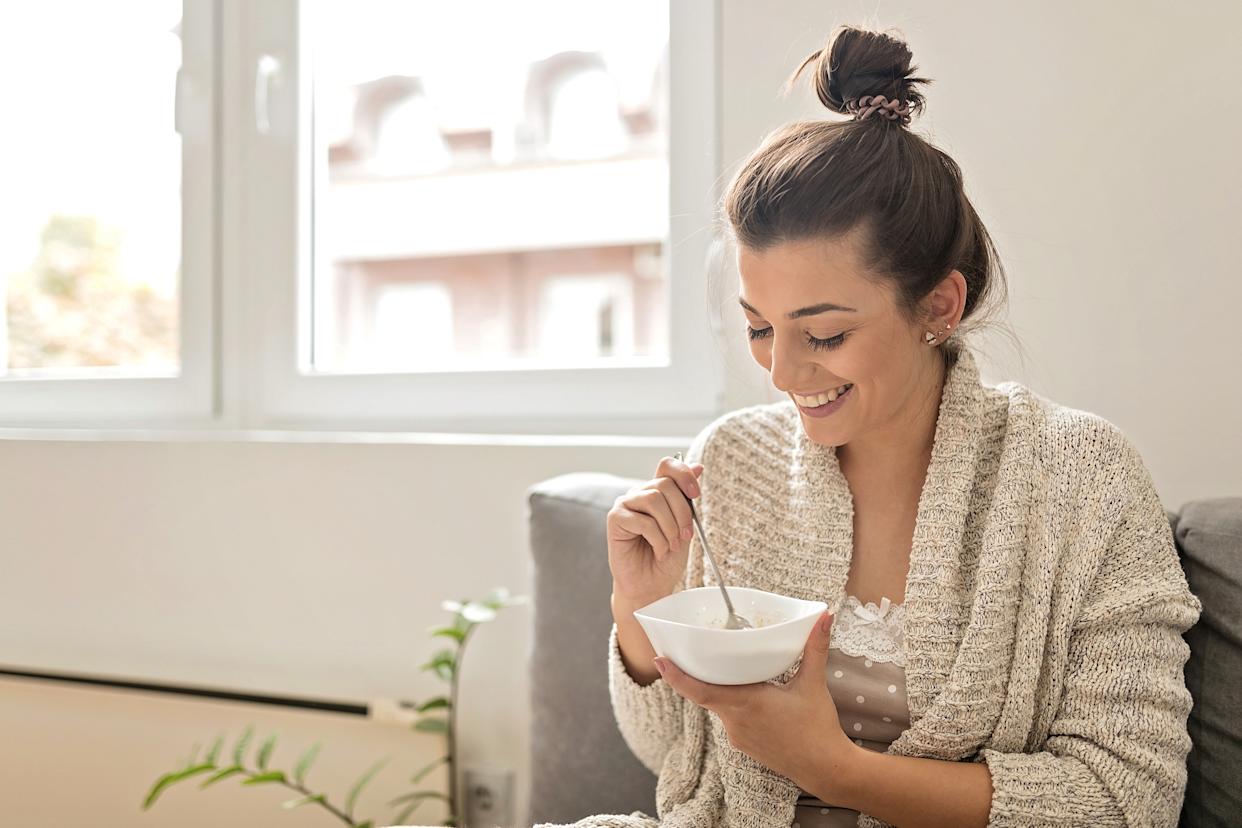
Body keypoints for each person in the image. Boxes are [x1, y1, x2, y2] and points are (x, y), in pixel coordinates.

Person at [537, 23, 1202, 828]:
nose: (782, 373)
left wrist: (833, 770)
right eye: (758, 327)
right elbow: (678, 760)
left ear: (939, 305)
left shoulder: (1081, 478)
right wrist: (642, 614)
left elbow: (1126, 798)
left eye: (824, 335)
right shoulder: (736, 462)